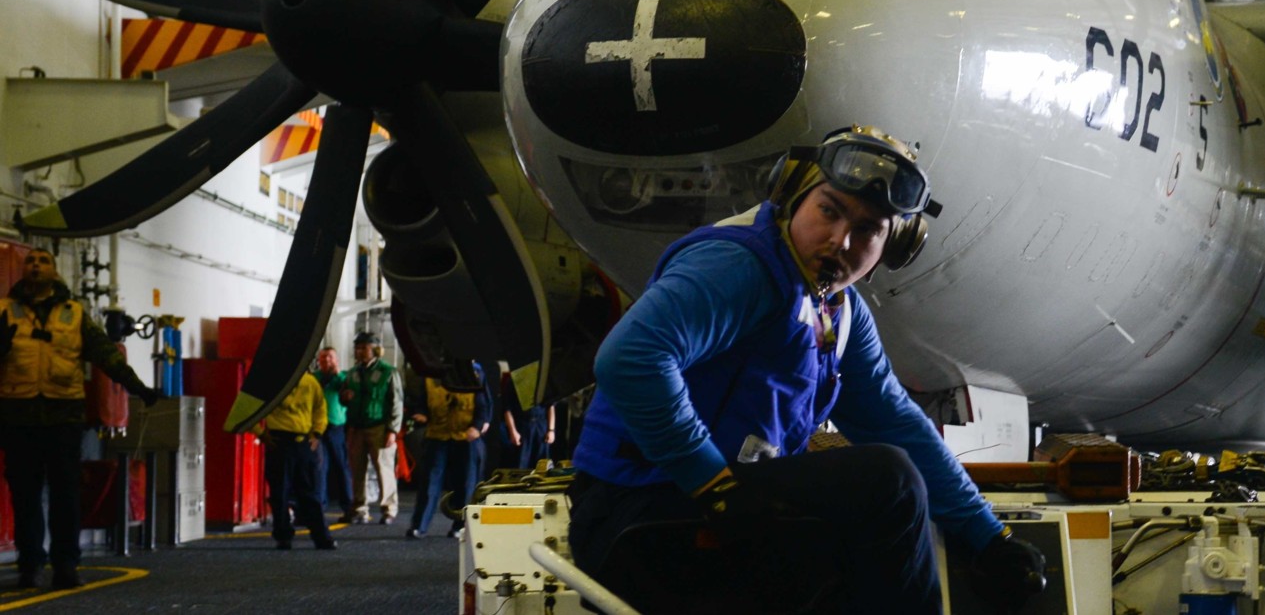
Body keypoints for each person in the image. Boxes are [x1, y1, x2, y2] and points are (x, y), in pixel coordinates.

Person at [569, 127, 1047, 614]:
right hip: (635, 511)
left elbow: (895, 422)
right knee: (888, 483)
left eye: (867, 230)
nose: (840, 240)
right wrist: (712, 484)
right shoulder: (739, 266)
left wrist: (991, 538)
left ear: (893, 244)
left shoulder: (840, 311)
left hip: (718, 509)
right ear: (792, 197)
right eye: (830, 211)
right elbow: (630, 358)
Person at [0, 248, 161, 589]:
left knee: (66, 496)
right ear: (23, 270)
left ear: (54, 271)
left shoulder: (74, 314)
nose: (35, 265)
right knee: (25, 496)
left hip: (64, 417)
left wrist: (138, 388)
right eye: (30, 261)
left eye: (43, 261)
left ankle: (65, 566)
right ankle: (30, 565)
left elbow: (106, 355)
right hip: (18, 417)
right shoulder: (4, 311)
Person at [252, 372, 338, 551]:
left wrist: (317, 433)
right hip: (284, 441)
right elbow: (247, 407)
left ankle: (318, 536)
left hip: (297, 441)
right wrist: (260, 433)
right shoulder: (272, 380)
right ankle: (303, 536)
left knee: (305, 493)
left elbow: (320, 409)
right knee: (283, 493)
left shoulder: (307, 382)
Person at [407, 365, 489, 539]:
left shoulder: (475, 373)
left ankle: (460, 526)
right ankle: (419, 526)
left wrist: (477, 426)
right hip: (438, 434)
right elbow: (421, 402)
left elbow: (484, 405)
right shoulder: (429, 375)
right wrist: (422, 414)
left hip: (466, 436)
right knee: (429, 482)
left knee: (465, 483)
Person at [343, 334, 403, 524]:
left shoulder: (388, 372)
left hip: (380, 427)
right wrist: (344, 397)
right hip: (356, 428)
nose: (360, 351)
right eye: (358, 347)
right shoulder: (351, 373)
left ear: (376, 349)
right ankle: (359, 508)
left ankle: (389, 509)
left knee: (384, 469)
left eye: (364, 347)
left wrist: (393, 430)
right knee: (357, 470)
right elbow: (342, 399)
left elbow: (397, 402)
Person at [310, 347, 355, 518]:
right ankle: (319, 506)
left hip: (336, 426)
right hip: (317, 428)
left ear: (336, 360)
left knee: (341, 466)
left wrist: (337, 376)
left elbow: (347, 393)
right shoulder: (314, 379)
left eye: (330, 357)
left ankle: (348, 506)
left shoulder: (343, 378)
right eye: (323, 357)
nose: (326, 360)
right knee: (320, 468)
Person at [497, 369, 556, 471]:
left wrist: (551, 430)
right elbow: (507, 409)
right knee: (521, 464)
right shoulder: (515, 379)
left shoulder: (543, 378)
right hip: (522, 425)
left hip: (540, 426)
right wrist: (513, 432)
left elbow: (550, 406)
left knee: (542, 465)